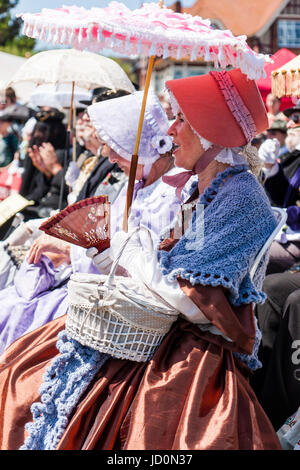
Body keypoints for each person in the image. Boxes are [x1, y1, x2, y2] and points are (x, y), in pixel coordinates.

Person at [0, 69, 281, 450]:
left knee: (33, 378)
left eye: (182, 119)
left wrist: (127, 248)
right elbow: (169, 264)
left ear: (209, 129)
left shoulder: (241, 198)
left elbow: (194, 299)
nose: (171, 131)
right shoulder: (202, 187)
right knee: (21, 361)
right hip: (152, 323)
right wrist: (115, 252)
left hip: (188, 346)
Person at [0, 91, 182, 356]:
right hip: (90, 283)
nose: (110, 158)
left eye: (117, 147)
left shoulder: (171, 193)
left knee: (17, 311)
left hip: (113, 304)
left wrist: (71, 251)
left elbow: (136, 260)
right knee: (11, 300)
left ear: (138, 145)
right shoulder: (142, 184)